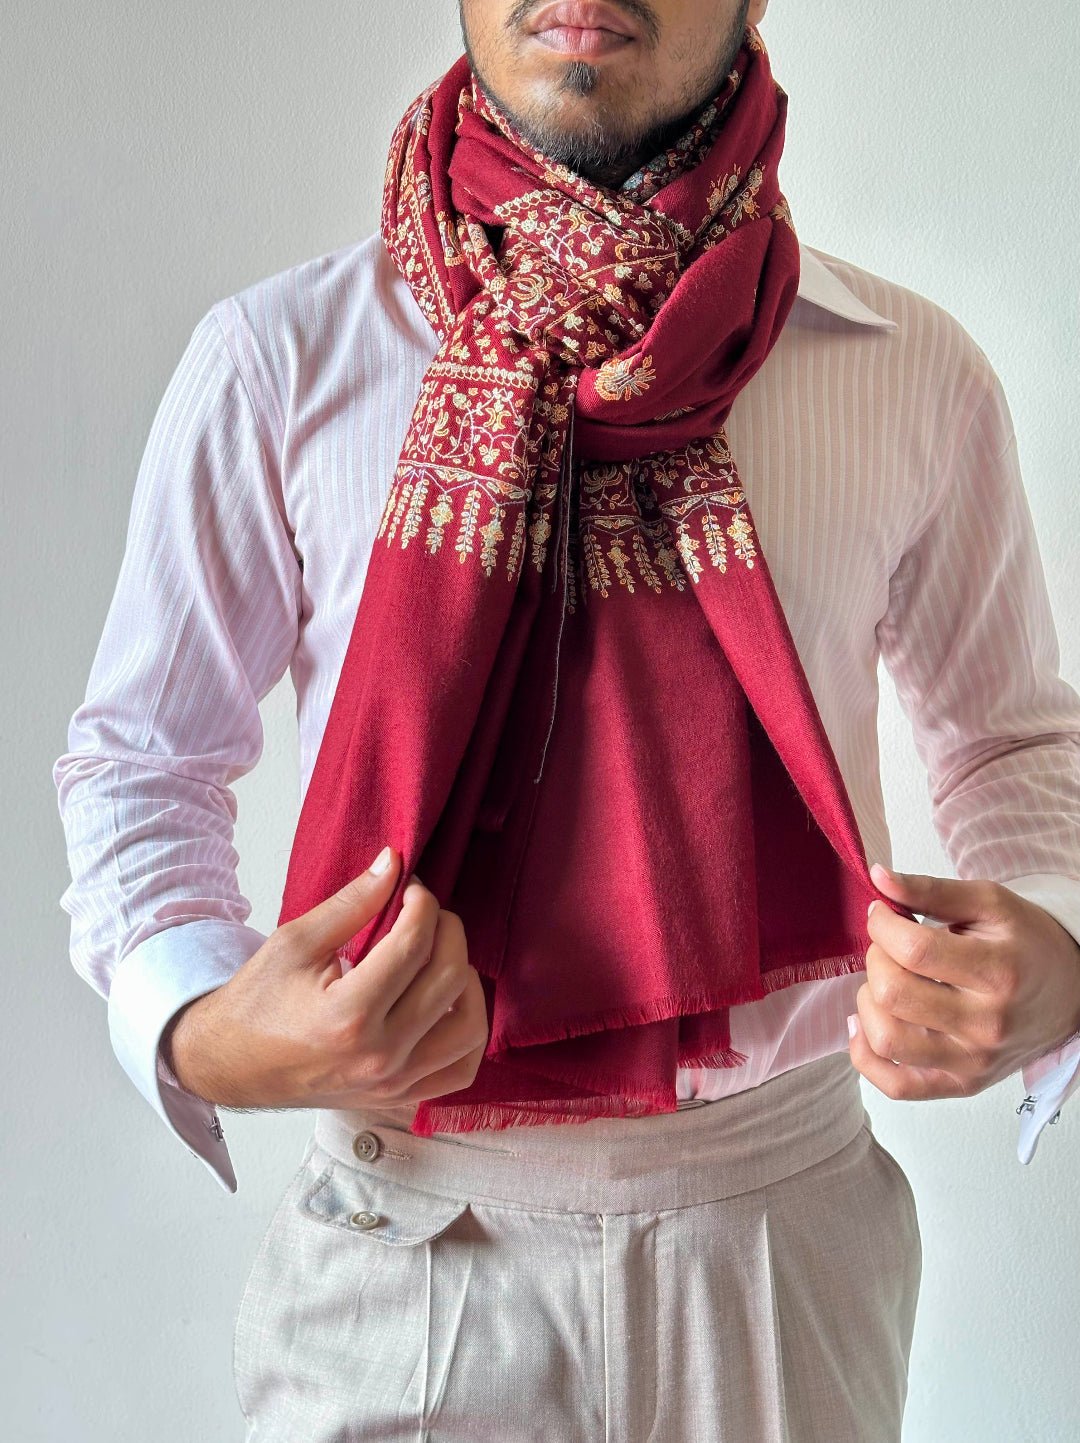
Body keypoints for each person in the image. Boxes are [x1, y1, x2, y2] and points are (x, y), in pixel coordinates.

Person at [53, 1, 1080, 1438]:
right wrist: (207, 1032)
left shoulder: (909, 367)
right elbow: (142, 765)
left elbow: (1011, 742)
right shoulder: (277, 361)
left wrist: (1057, 954)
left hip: (783, 1237)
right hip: (408, 1239)